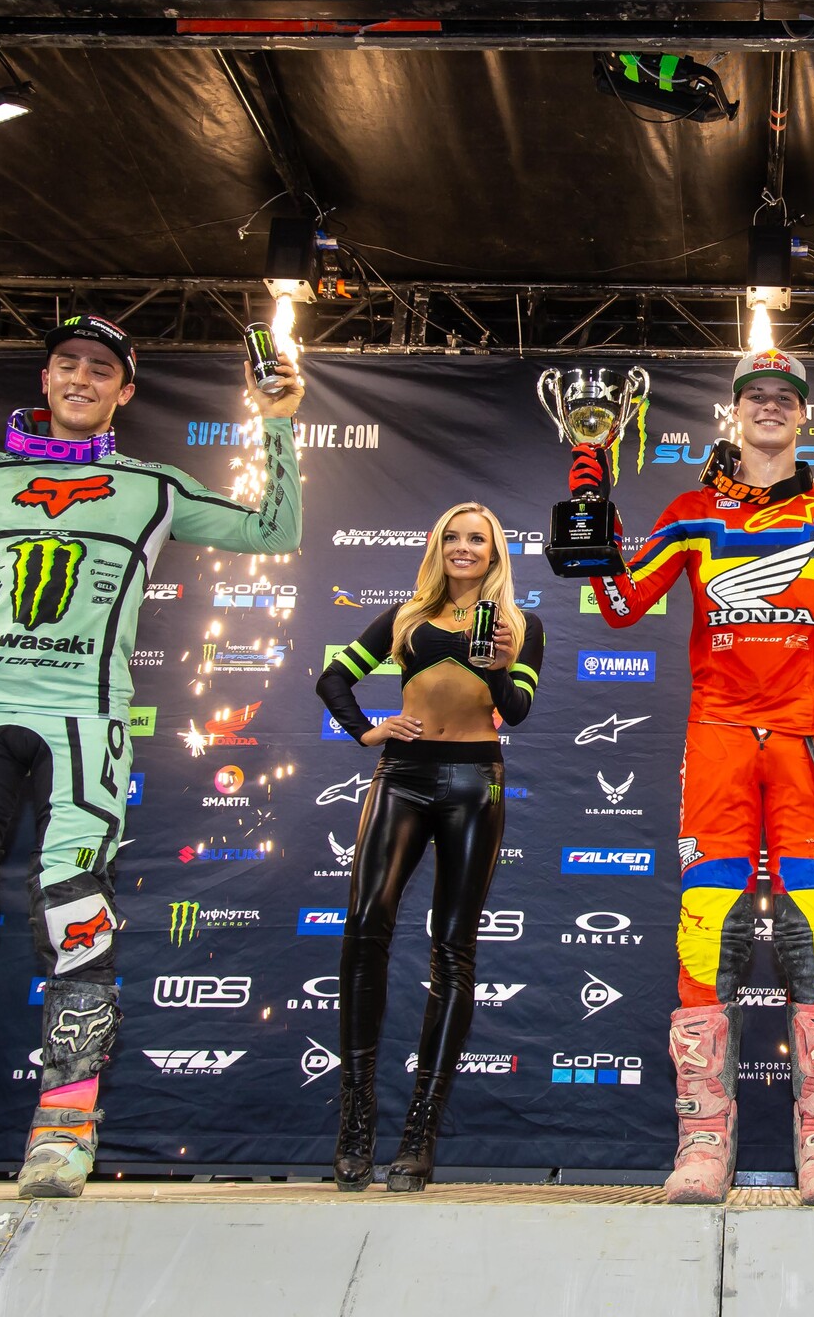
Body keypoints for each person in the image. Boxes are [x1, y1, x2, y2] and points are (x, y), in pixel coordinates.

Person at [0, 317, 303, 1201]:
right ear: (46, 379)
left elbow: (274, 532)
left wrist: (276, 421)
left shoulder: (152, 487)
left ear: (125, 391)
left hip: (82, 717)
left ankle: (64, 1134)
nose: (82, 377)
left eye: (102, 369)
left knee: (76, 908)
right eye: (68, 364)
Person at [570, 348, 814, 1205]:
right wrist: (593, 521)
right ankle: (703, 1142)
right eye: (757, 396)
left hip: (805, 740)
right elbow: (621, 605)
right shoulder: (690, 511)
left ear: (803, 414)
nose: (771, 407)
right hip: (717, 737)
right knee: (706, 928)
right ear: (737, 411)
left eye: (786, 397)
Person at [313, 502, 544, 1192]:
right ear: (437, 546)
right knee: (365, 928)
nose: (463, 547)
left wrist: (497, 663)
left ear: (496, 553)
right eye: (452, 537)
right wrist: (367, 730)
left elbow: (517, 711)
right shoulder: (406, 618)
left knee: (452, 947)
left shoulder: (520, 626)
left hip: (476, 783)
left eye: (477, 539)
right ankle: (356, 1124)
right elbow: (332, 678)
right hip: (401, 778)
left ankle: (418, 1136)